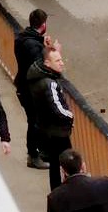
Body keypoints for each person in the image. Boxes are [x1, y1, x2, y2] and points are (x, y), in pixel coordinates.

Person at [26, 41, 74, 189]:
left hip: (47, 129)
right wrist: (70, 115)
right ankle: (69, 191)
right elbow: (57, 108)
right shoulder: (49, 83)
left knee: (54, 165)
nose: (62, 63)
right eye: (58, 60)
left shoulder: (37, 74)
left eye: (61, 59)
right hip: (57, 132)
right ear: (47, 63)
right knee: (68, 162)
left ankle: (57, 191)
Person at [14, 9, 50, 169]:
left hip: (24, 86)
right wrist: (49, 51)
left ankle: (39, 151)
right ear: (43, 25)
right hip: (30, 90)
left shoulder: (24, 38)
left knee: (36, 120)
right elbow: (38, 67)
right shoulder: (32, 45)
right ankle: (34, 155)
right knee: (34, 121)